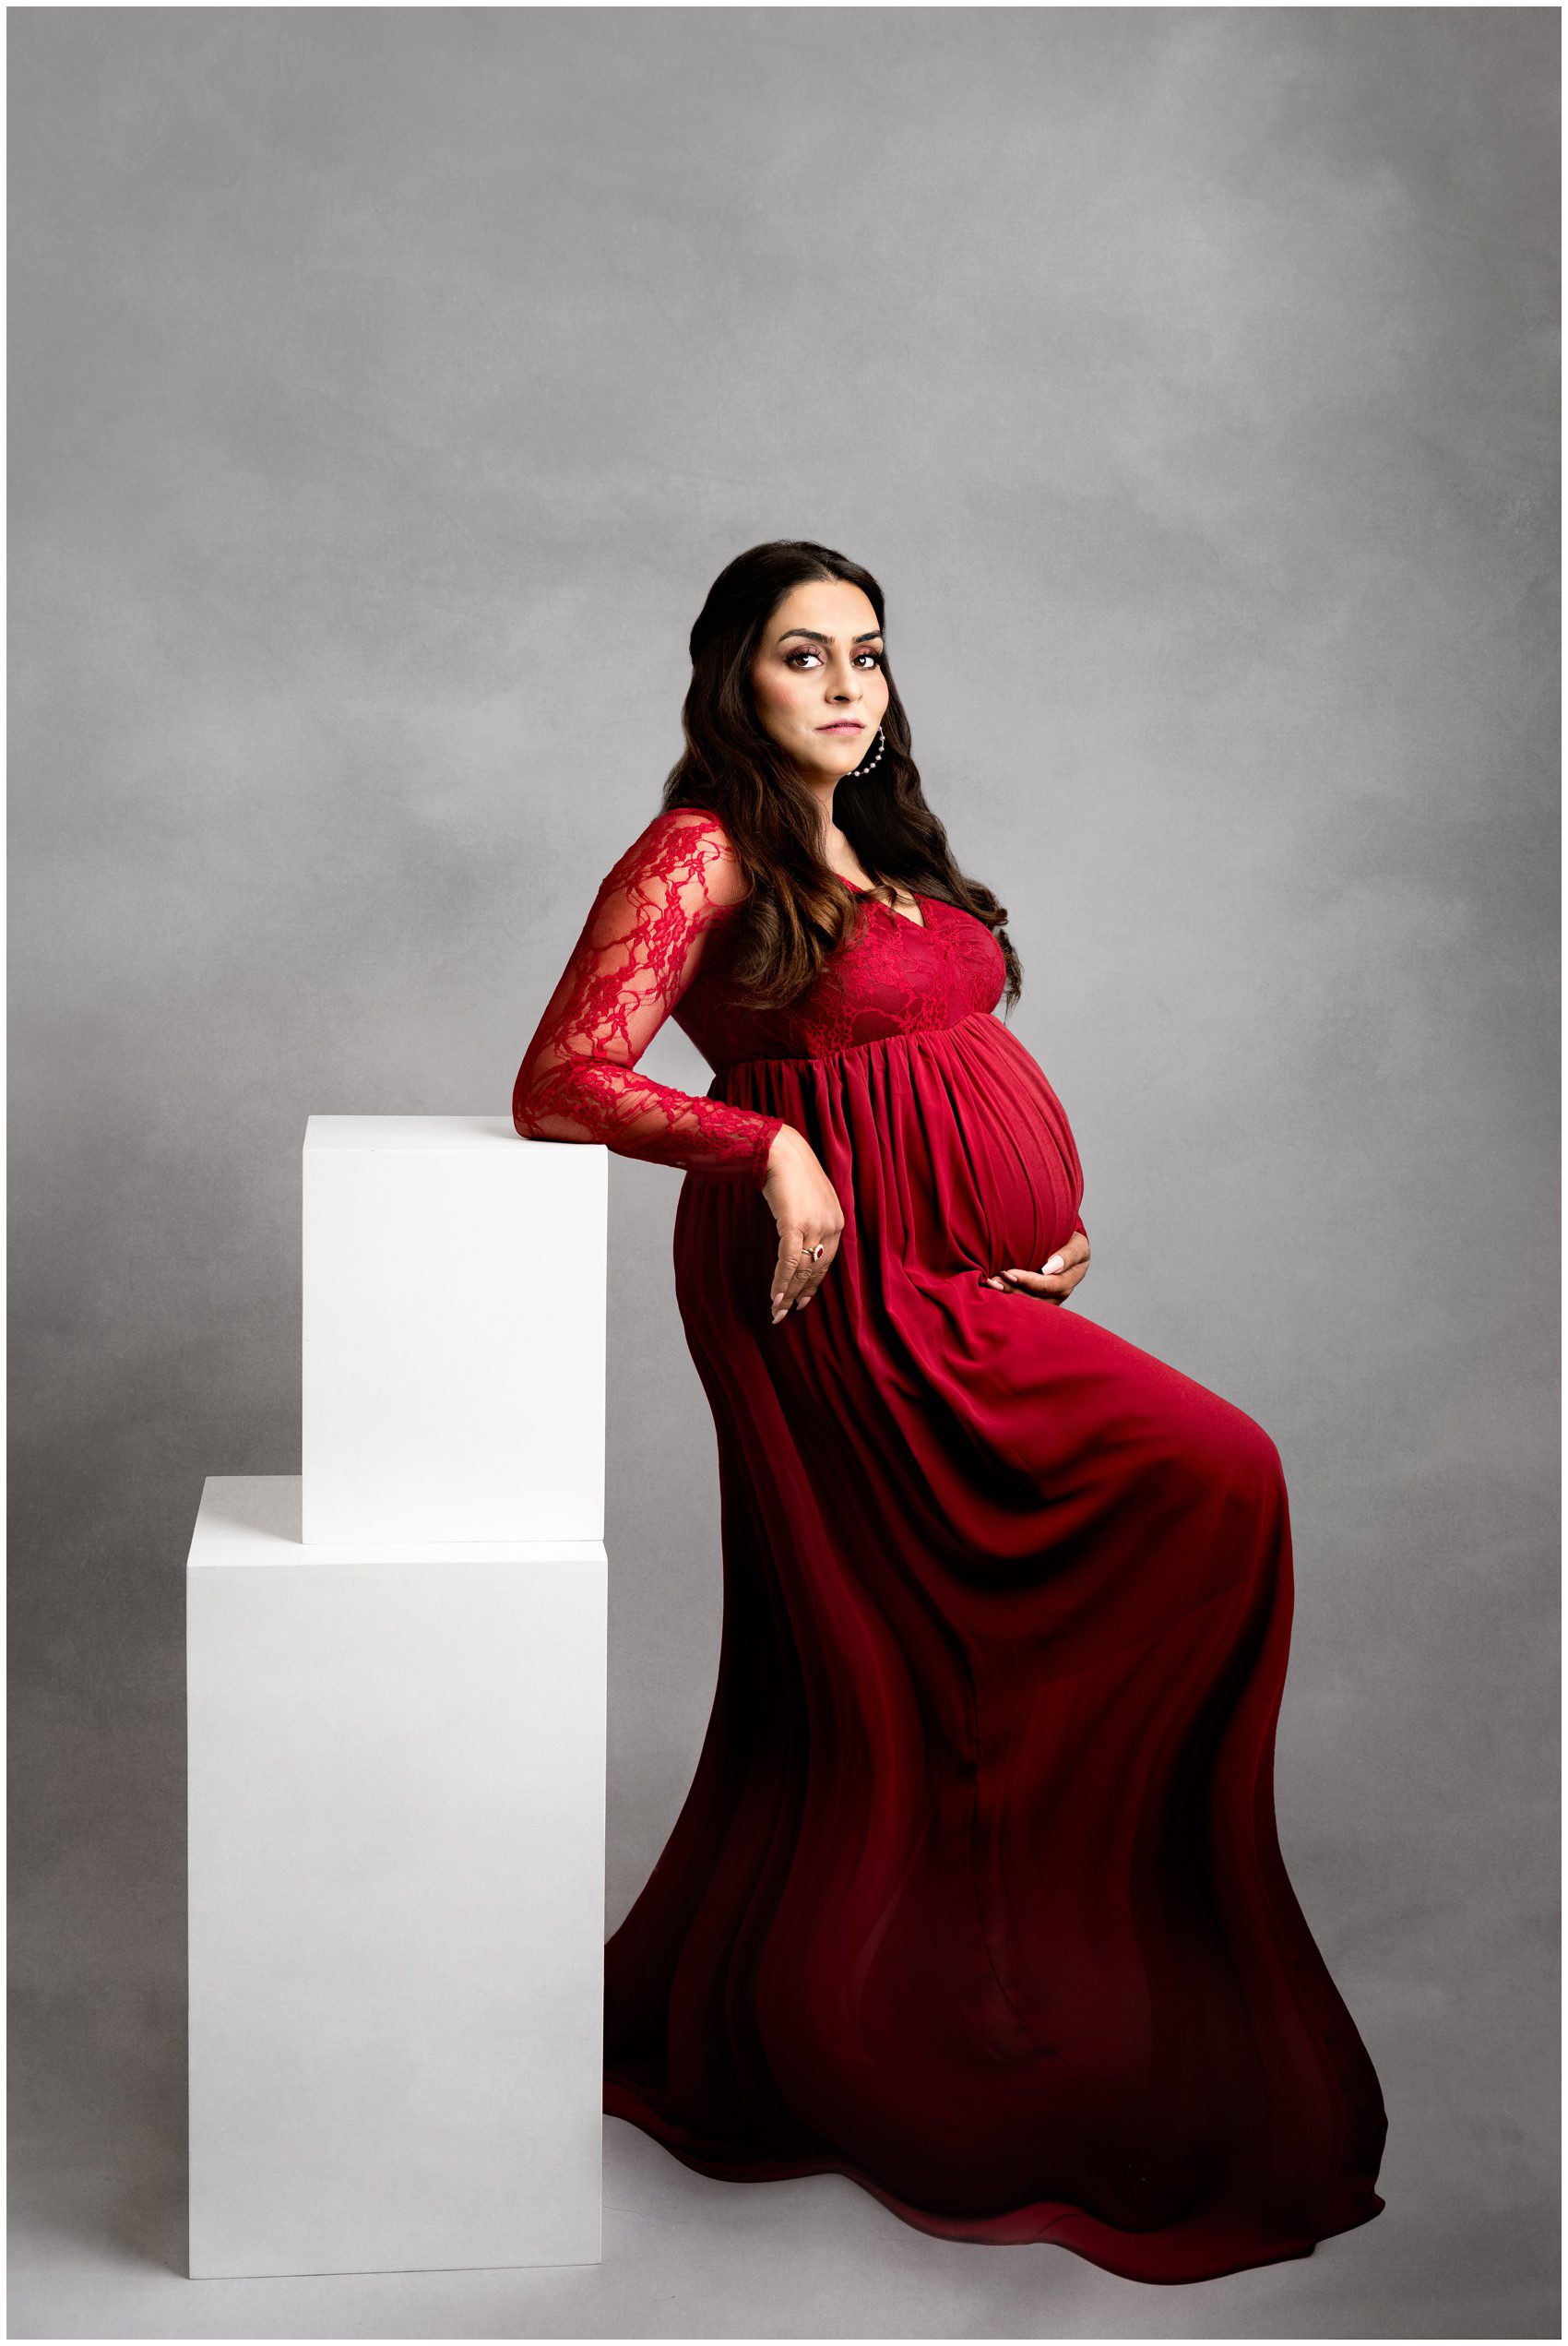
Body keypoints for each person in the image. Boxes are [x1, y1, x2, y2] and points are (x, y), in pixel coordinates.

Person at [511, 539, 1387, 2284]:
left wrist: (1020, 1218)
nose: (846, 687)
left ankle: (1014, 1978)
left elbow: (943, 1069)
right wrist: (762, 1140)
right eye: (801, 657)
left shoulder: (886, 847)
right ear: (728, 681)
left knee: (972, 1638)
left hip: (960, 1290)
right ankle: (952, 2004)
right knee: (1200, 1484)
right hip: (826, 1305)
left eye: (870, 655)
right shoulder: (700, 849)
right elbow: (562, 1077)